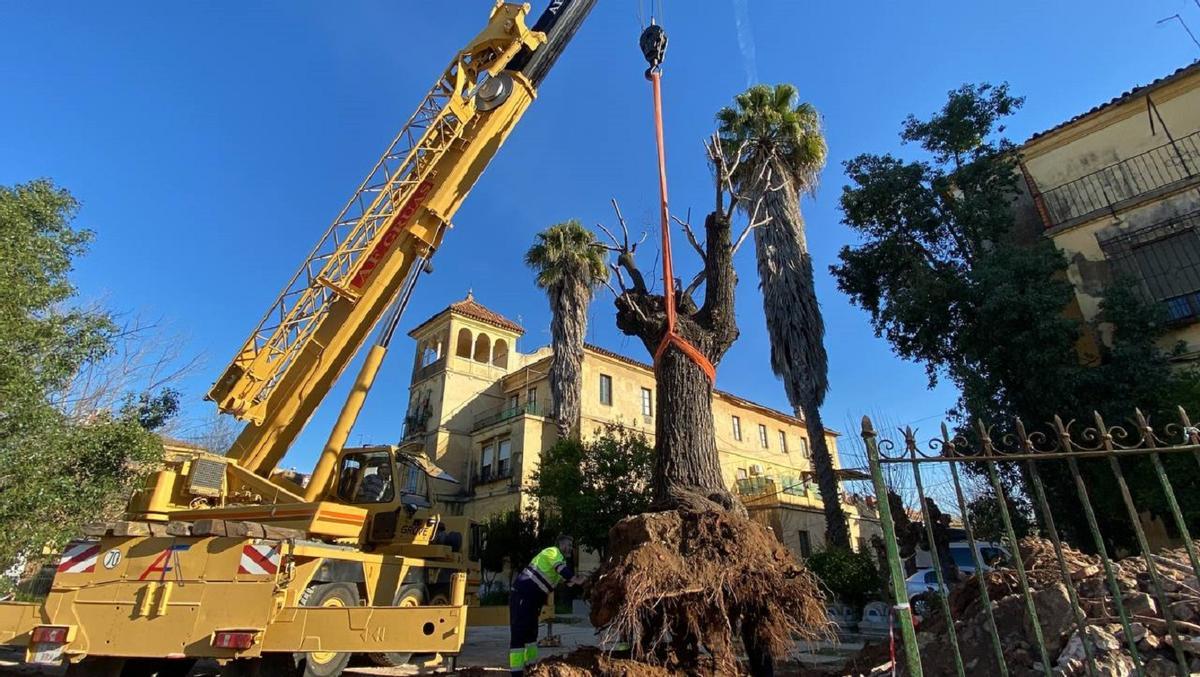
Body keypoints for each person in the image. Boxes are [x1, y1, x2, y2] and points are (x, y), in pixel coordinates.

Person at [509, 535, 583, 676]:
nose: (570, 548)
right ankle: (516, 673)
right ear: (561, 545)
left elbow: (566, 581)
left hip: (533, 600)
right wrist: (575, 579)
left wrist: (583, 581)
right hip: (522, 594)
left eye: (572, 546)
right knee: (519, 633)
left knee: (532, 634)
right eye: (568, 545)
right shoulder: (552, 552)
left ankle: (531, 667)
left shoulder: (561, 562)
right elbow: (563, 572)